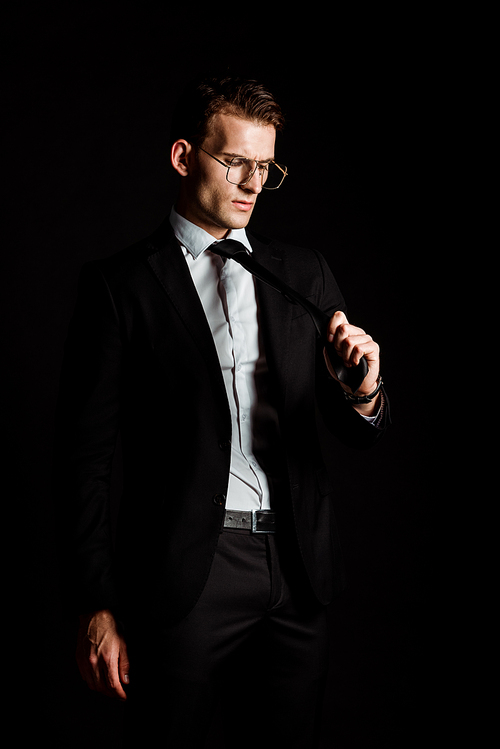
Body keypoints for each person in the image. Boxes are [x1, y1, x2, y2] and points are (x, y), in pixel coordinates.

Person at [53, 75, 390, 748]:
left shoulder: (305, 273)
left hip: (296, 570)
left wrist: (363, 388)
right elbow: (82, 457)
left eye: (265, 167)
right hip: (186, 575)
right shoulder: (121, 286)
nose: (252, 182)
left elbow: (352, 424)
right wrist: (96, 603)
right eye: (235, 161)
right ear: (184, 157)